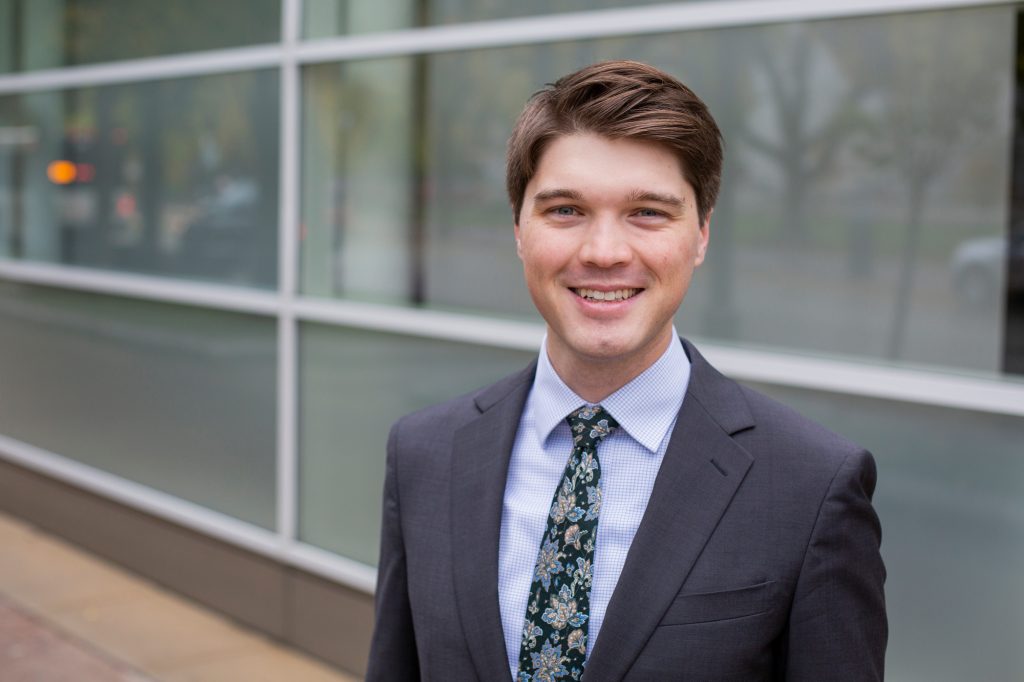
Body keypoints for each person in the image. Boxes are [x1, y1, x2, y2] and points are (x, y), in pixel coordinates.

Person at [366, 60, 887, 681]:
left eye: (647, 212)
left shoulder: (812, 487)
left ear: (701, 235)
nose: (604, 252)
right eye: (564, 210)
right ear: (518, 230)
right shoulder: (425, 455)